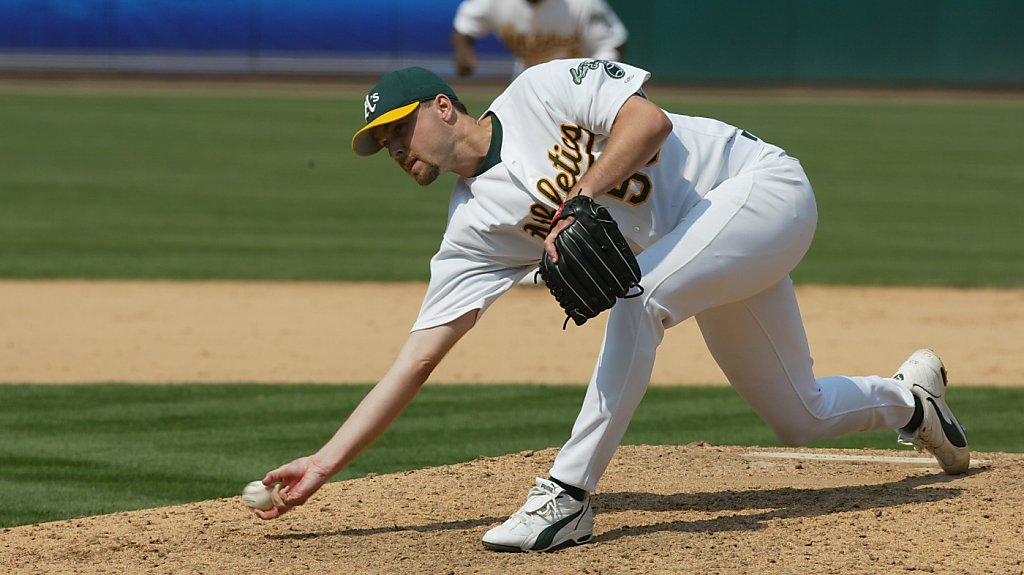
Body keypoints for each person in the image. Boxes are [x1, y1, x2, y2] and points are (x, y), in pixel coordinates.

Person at [252, 59, 971, 553]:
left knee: (640, 293)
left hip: (761, 189)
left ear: (444, 106)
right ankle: (914, 403)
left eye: (400, 127)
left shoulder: (536, 91)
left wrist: (578, 198)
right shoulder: (472, 230)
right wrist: (326, 459)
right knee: (799, 412)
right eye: (382, 144)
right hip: (707, 250)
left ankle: (567, 495)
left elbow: (648, 122)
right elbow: (421, 354)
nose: (394, 148)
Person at [451, 0, 627, 77]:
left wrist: (596, 76)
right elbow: (464, 26)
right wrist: (464, 52)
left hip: (579, 77)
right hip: (530, 77)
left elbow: (613, 42)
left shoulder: (580, 3)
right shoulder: (494, 2)